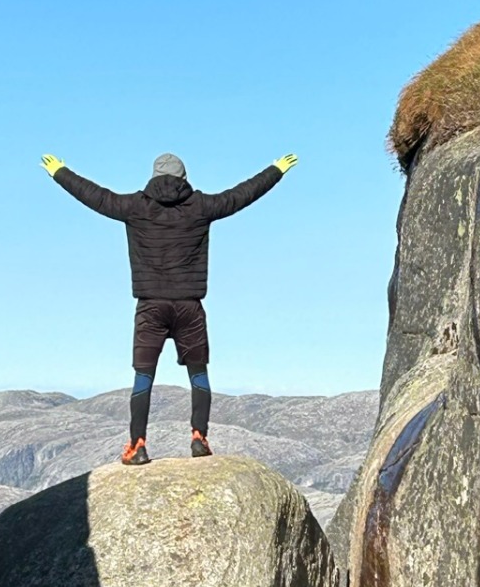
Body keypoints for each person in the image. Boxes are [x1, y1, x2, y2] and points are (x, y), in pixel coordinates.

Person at [40, 149, 298, 464]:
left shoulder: (134, 207)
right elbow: (241, 195)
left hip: (150, 306)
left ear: (153, 177)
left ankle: (137, 446)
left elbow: (95, 196)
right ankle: (199, 437)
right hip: (189, 306)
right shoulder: (201, 206)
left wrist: (60, 172)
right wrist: (275, 170)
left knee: (143, 376)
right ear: (183, 178)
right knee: (198, 373)